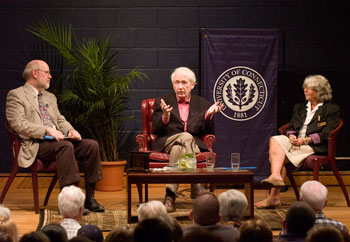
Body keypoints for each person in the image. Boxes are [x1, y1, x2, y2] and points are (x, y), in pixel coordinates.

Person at [5, 60, 104, 214]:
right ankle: (69, 203)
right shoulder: (16, 95)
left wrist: (70, 130)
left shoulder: (50, 97)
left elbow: (59, 119)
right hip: (36, 144)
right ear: (35, 73)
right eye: (47, 72)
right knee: (65, 147)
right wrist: (45, 130)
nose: (50, 76)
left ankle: (90, 199)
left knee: (91, 145)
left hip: (57, 141)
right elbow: (18, 124)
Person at [255, 75, 339, 208]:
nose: (305, 90)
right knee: (275, 139)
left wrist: (305, 140)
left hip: (313, 146)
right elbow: (291, 127)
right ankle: (276, 176)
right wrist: (292, 135)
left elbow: (327, 132)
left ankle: (273, 197)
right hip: (296, 144)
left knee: (279, 158)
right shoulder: (300, 108)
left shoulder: (330, 109)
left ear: (319, 91)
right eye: (304, 87)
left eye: (309, 88)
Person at [152, 66, 223, 212]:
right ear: (173, 85)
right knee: (185, 136)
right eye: (177, 83)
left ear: (192, 85)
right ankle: (195, 184)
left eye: (184, 83)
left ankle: (170, 196)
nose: (180, 86)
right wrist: (165, 116)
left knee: (179, 147)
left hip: (192, 144)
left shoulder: (203, 103)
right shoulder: (163, 101)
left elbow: (209, 132)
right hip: (167, 141)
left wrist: (208, 116)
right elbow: (155, 128)